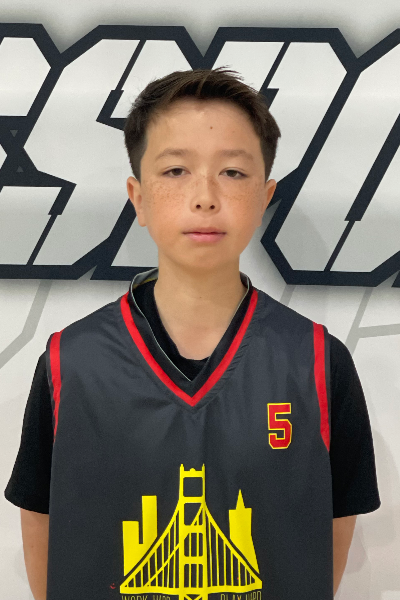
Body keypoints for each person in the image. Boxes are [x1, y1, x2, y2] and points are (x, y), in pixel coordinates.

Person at [4, 67, 380, 600]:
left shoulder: (319, 362)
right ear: (137, 197)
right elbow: (41, 519)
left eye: (233, 172)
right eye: (176, 170)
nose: (205, 196)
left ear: (266, 196)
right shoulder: (71, 362)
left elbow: (329, 536)